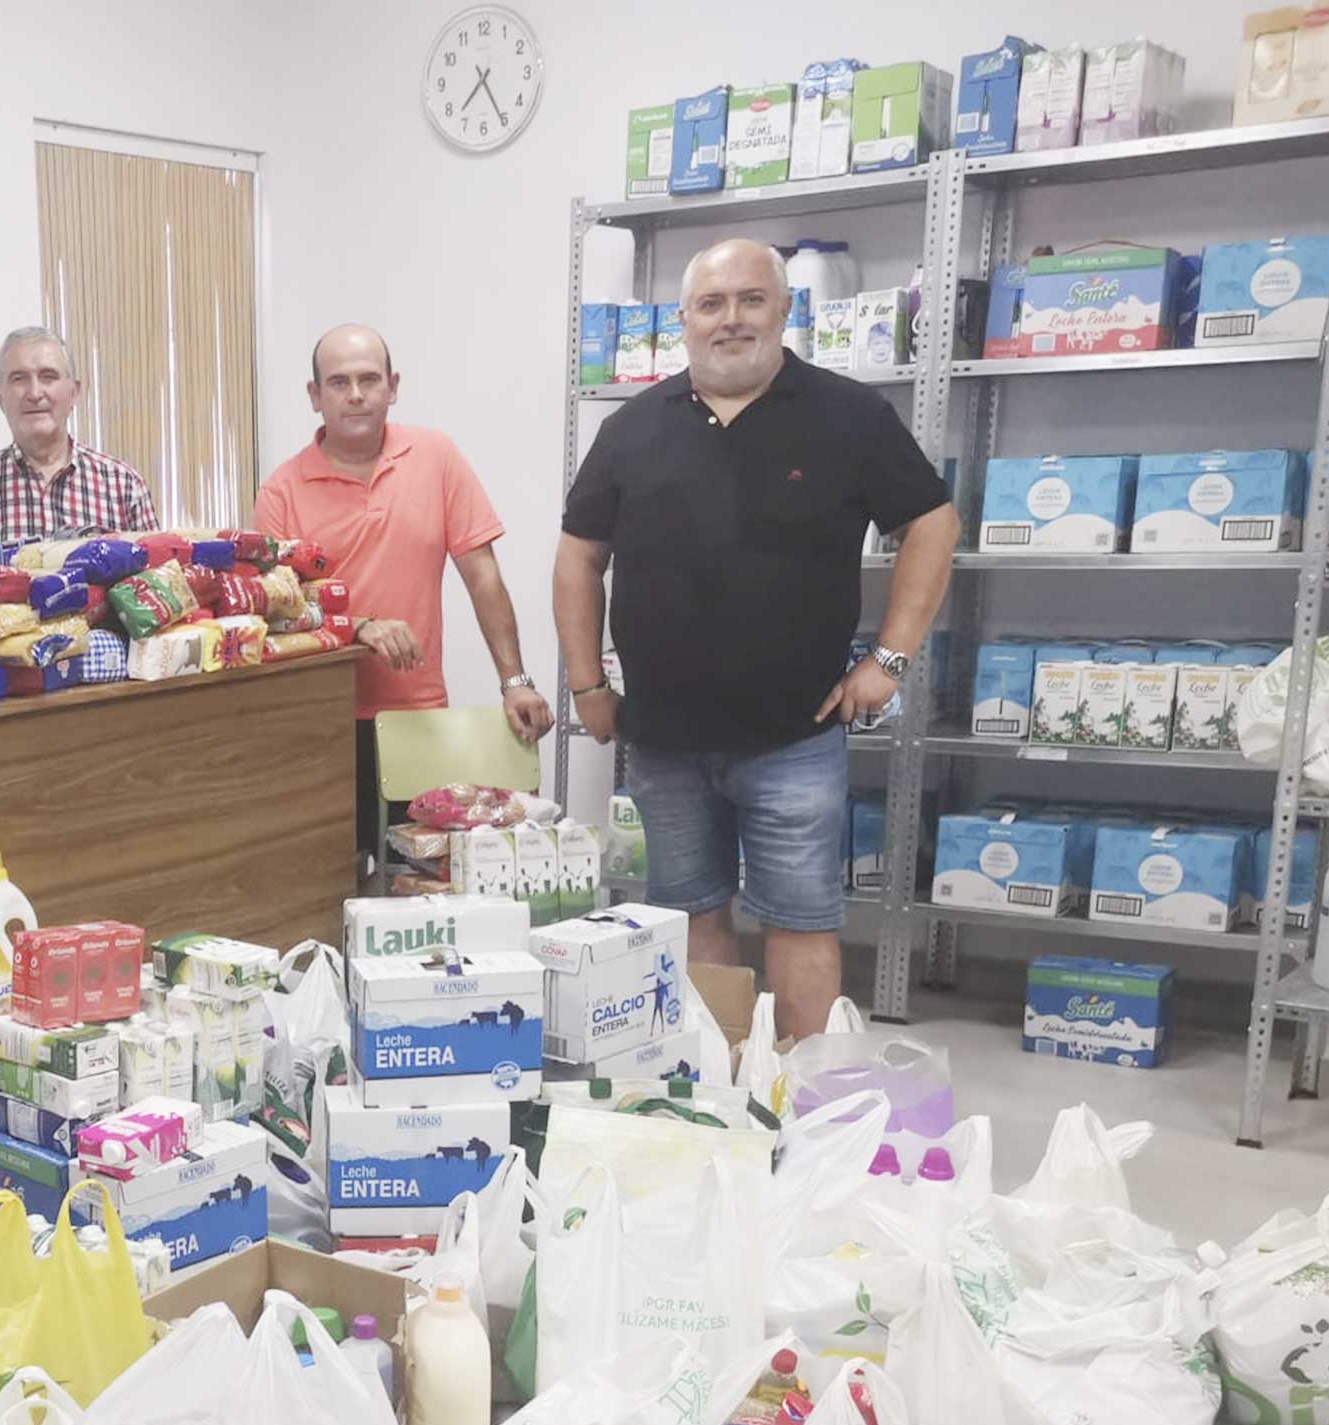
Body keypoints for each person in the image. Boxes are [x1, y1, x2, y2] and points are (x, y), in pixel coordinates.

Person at [553, 239, 959, 1040]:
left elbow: (931, 523)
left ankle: (805, 1100)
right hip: (664, 740)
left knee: (800, 922)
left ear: (783, 310)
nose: (730, 319)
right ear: (685, 321)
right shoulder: (634, 427)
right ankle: (718, 1089)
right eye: (711, 304)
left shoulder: (850, 417)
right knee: (689, 915)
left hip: (794, 737)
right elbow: (578, 556)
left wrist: (890, 657)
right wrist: (585, 685)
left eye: (750, 300)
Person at [254, 324, 554, 874]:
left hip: (416, 718)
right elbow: (278, 609)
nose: (356, 394)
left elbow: (482, 576)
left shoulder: (436, 458)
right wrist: (358, 624)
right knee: (326, 882)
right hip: (320, 720)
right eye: (339, 382)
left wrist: (514, 681)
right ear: (314, 396)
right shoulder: (281, 491)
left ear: (393, 386)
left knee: (419, 882)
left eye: (369, 379)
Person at [0, 326, 158, 543]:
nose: (35, 393)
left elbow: (159, 579)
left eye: (48, 376)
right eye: (19, 378)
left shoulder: (123, 486)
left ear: (74, 392)